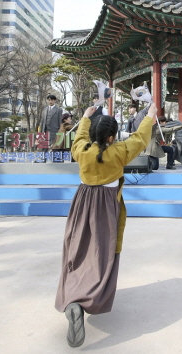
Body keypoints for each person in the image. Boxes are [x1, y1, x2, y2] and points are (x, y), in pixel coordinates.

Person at [55, 102, 157, 348]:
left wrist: (85, 117)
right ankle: (87, 299)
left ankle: (72, 298)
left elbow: (79, 137)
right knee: (101, 253)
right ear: (111, 137)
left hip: (82, 204)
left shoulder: (81, 149)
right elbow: (140, 139)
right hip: (106, 207)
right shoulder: (119, 151)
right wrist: (150, 117)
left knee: (77, 249)